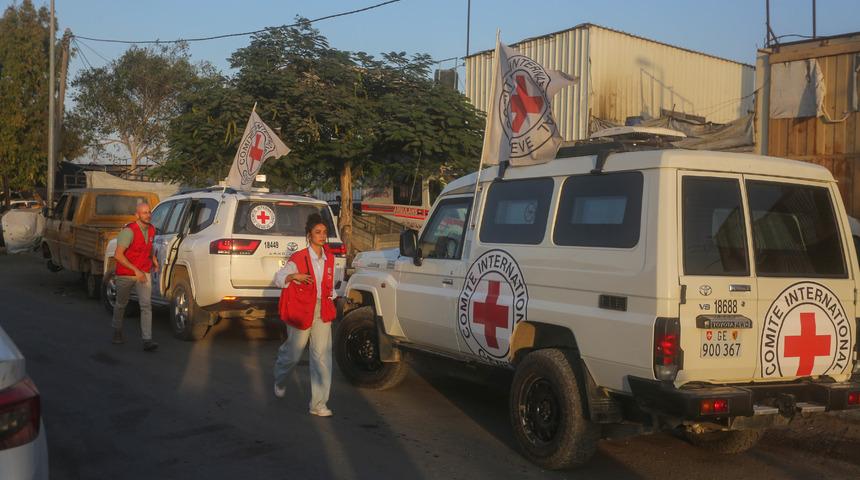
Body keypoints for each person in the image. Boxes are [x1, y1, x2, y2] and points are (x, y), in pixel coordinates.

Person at [273, 213, 337, 417]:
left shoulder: (330, 258)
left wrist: (333, 295)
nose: (322, 236)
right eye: (318, 232)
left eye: (324, 232)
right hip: (301, 309)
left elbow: (330, 284)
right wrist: (294, 276)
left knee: (322, 356)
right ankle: (280, 379)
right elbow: (278, 278)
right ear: (309, 235)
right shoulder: (298, 258)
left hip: (322, 309)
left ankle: (318, 404)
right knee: (294, 353)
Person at [112, 202, 159, 352]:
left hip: (143, 272)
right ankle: (117, 330)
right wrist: (135, 271)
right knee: (121, 304)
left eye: (149, 212)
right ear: (137, 215)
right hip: (126, 273)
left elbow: (148, 247)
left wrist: (153, 258)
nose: (148, 215)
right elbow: (118, 255)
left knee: (146, 305)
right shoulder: (129, 231)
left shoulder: (152, 229)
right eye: (144, 213)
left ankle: (147, 340)